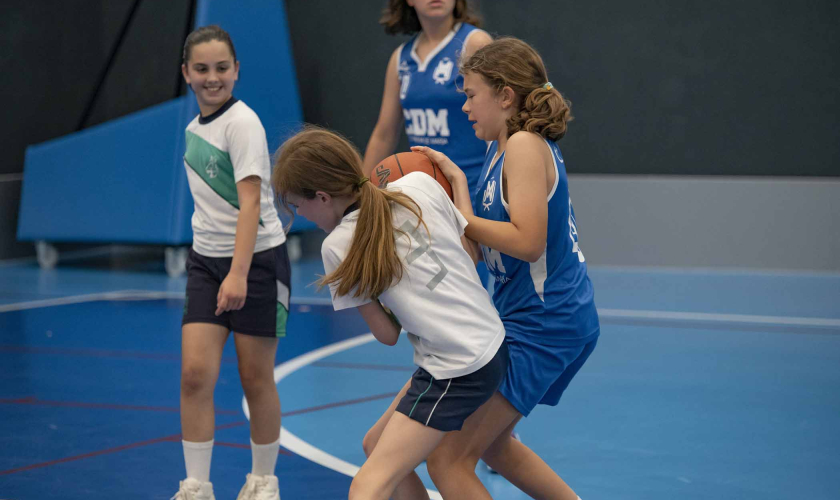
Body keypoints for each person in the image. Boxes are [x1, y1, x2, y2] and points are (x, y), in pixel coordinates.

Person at [271, 126, 508, 500]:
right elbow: (470, 256)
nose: (301, 215)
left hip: (457, 366)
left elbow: (386, 334)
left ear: (321, 197)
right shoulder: (418, 184)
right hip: (488, 343)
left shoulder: (337, 246)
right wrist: (459, 185)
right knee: (374, 445)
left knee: (367, 486)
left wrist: (391, 296)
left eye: (298, 206)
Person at [410, 37, 600, 499]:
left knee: (448, 458)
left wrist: (459, 216)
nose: (465, 107)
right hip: (535, 316)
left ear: (505, 96)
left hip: (545, 320)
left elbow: (529, 242)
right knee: (495, 446)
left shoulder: (523, 146)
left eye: (471, 95)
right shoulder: (497, 151)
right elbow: (483, 251)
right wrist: (451, 194)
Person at [174, 25, 289, 500]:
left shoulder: (243, 124)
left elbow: (251, 205)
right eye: (201, 69)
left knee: (253, 376)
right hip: (206, 262)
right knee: (195, 374)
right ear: (186, 74)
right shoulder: (191, 130)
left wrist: (239, 273)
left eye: (222, 68)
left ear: (236, 71)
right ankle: (197, 485)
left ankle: (263, 480)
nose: (212, 77)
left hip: (256, 261)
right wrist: (217, 266)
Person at [363, 0, 492, 198]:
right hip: (423, 192)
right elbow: (384, 133)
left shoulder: (475, 43)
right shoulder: (400, 58)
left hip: (472, 187)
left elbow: (501, 119)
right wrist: (361, 191)